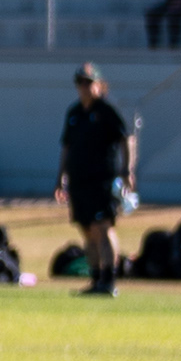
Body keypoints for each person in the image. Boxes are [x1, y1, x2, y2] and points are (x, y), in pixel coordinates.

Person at [57, 64, 135, 297]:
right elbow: (67, 147)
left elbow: (126, 138)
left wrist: (127, 169)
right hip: (79, 181)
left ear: (99, 85)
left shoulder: (107, 111)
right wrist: (61, 177)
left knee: (103, 227)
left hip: (102, 180)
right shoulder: (74, 113)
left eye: (89, 82)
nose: (84, 87)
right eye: (80, 83)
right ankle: (95, 277)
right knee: (86, 229)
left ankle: (109, 279)